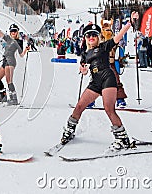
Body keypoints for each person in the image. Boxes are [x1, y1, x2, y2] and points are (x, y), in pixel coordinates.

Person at [60, 11, 139, 151]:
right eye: (88, 35)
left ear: (98, 37)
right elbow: (83, 67)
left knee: (109, 109)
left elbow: (119, 36)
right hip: (95, 81)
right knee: (79, 106)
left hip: (107, 78)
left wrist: (130, 23)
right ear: (85, 38)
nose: (91, 37)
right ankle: (69, 131)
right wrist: (83, 70)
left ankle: (123, 139)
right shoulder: (84, 54)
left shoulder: (104, 47)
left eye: (94, 35)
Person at [0, 19, 30, 105]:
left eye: (14, 31)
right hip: (5, 61)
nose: (13, 33)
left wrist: (26, 49)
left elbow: (21, 54)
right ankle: (3, 96)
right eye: (11, 31)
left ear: (17, 32)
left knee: (9, 81)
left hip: (11, 62)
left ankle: (13, 99)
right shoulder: (8, 39)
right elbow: (0, 32)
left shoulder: (18, 41)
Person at [100, 20, 128, 108]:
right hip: (102, 63)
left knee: (115, 80)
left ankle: (120, 99)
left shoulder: (112, 38)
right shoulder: (100, 37)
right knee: (97, 81)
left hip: (109, 62)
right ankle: (90, 100)